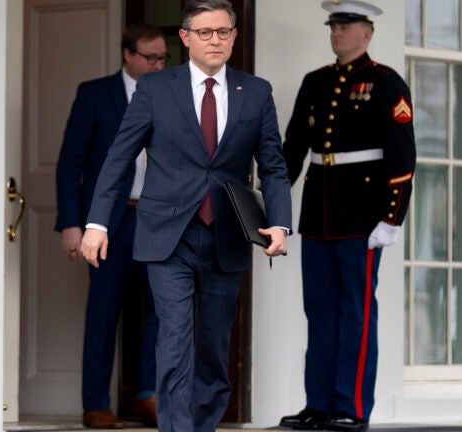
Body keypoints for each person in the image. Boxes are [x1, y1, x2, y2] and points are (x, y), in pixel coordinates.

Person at [80, 1, 291, 430]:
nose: (214, 40)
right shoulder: (156, 89)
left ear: (234, 36)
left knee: (213, 348)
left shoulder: (256, 92)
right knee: (174, 340)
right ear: (185, 38)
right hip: (166, 236)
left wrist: (281, 223)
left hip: (226, 235)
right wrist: (97, 223)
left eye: (222, 31)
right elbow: (119, 157)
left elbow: (273, 165)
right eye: (204, 32)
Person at [279, 2, 415, 431]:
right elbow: (294, 147)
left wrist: (391, 218)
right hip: (318, 212)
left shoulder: (386, 83)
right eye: (333, 25)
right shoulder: (315, 82)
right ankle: (318, 404)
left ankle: (351, 407)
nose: (336, 32)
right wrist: (274, 201)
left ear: (367, 32)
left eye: (346, 25)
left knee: (356, 312)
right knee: (319, 311)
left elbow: (402, 156)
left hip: (363, 215)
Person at [54, 23, 168, 429]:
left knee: (160, 310)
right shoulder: (95, 94)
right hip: (108, 222)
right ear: (128, 55)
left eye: (162, 58)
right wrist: (71, 224)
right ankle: (96, 403)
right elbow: (72, 163)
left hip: (157, 219)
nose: (157, 65)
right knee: (104, 311)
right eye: (150, 57)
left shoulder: (171, 93)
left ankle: (148, 395)